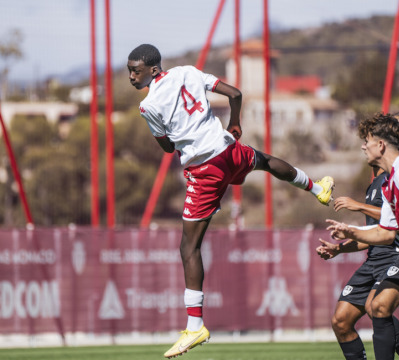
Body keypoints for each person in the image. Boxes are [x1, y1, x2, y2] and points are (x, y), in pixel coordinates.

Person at [127, 43, 335, 358]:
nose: (131, 76)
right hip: (227, 149)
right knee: (262, 160)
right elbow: (235, 93)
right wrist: (234, 123)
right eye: (130, 70)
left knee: (189, 247)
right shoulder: (188, 72)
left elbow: (168, 149)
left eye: (135, 70)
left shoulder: (149, 105)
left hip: (204, 168)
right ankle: (317, 188)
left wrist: (175, 134)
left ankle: (195, 326)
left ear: (152, 70)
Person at [326, 113, 399, 360]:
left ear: (381, 145)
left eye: (367, 140)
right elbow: (385, 233)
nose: (363, 146)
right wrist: (349, 233)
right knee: (386, 312)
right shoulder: (388, 184)